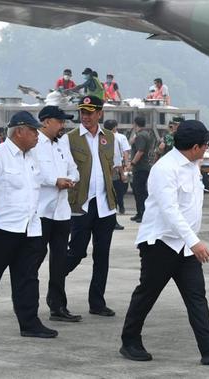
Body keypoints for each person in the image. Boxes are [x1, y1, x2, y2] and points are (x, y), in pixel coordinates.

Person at [120, 120, 209, 364]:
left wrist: (190, 241)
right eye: (206, 144)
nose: (207, 148)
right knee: (148, 293)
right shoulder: (165, 169)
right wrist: (195, 241)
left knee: (196, 295)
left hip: (184, 246)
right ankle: (130, 340)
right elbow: (170, 210)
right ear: (195, 146)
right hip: (161, 243)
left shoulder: (192, 165)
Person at [0, 111, 58, 338]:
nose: (37, 135)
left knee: (28, 278)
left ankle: (29, 323)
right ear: (19, 131)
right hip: (3, 229)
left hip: (30, 228)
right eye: (33, 131)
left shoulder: (31, 158)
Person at [64, 95, 122, 318]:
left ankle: (97, 302)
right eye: (83, 112)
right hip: (81, 205)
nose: (85, 117)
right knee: (76, 252)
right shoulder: (70, 139)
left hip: (105, 205)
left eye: (90, 112)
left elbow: (113, 167)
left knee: (102, 255)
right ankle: (55, 292)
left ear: (100, 114)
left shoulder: (109, 137)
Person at [34, 106, 81, 322]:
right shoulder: (34, 144)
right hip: (41, 212)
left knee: (59, 261)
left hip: (62, 212)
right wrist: (55, 181)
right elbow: (34, 173)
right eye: (59, 121)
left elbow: (74, 169)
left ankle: (58, 306)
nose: (63, 125)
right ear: (45, 122)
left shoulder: (62, 144)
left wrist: (71, 179)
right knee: (33, 260)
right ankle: (28, 306)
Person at [103, 120, 131, 229]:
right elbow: (122, 154)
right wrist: (124, 169)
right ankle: (113, 220)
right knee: (116, 194)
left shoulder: (100, 136)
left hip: (103, 170)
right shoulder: (117, 137)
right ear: (115, 127)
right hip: (114, 170)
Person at [129, 116, 155, 223]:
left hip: (141, 168)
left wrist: (132, 163)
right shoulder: (145, 134)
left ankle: (142, 213)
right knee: (138, 191)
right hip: (143, 167)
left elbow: (140, 151)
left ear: (135, 124)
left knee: (140, 192)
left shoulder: (141, 136)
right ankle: (139, 212)